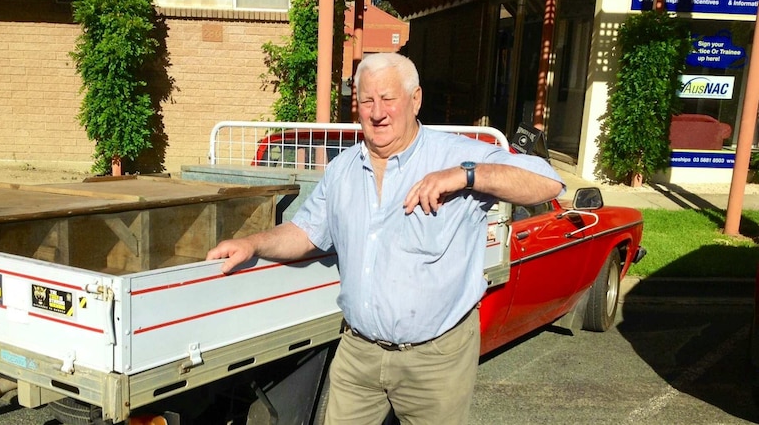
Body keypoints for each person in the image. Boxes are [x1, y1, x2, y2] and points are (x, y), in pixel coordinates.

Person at [207, 53, 564, 424]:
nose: (377, 112)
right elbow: (306, 233)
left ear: (415, 99)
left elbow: (547, 182)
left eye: (388, 98)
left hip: (435, 359)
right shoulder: (343, 169)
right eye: (366, 100)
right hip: (358, 352)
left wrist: (465, 176)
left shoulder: (455, 155)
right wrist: (254, 243)